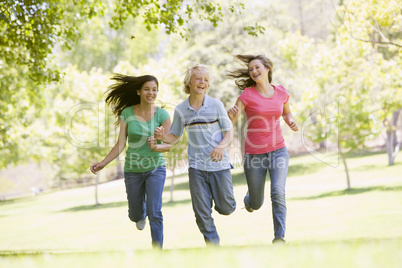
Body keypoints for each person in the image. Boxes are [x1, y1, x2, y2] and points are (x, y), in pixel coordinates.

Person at [154, 63, 236, 246]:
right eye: (198, 78)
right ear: (189, 82)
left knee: (227, 208)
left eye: (206, 80)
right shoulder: (181, 110)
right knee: (201, 212)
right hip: (196, 167)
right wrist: (162, 136)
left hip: (219, 165)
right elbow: (174, 137)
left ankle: (237, 201)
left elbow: (228, 132)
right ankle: (214, 246)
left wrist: (221, 146)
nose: (203, 82)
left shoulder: (216, 105)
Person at [90, 74, 171, 249]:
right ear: (139, 91)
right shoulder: (127, 113)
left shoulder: (162, 115)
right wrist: (103, 163)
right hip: (133, 169)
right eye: (147, 89)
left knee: (155, 211)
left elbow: (168, 145)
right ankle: (139, 214)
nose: (151, 93)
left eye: (154, 89)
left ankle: (158, 251)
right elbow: (120, 143)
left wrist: (157, 144)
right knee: (135, 215)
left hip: (155, 167)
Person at [227, 54, 299, 244]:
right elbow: (231, 121)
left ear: (267, 68)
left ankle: (279, 238)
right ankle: (249, 199)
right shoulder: (247, 95)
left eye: (257, 67)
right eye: (251, 70)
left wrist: (289, 120)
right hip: (254, 155)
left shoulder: (281, 92)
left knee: (277, 192)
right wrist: (230, 115)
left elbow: (286, 111)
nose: (254, 71)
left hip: (278, 150)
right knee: (256, 204)